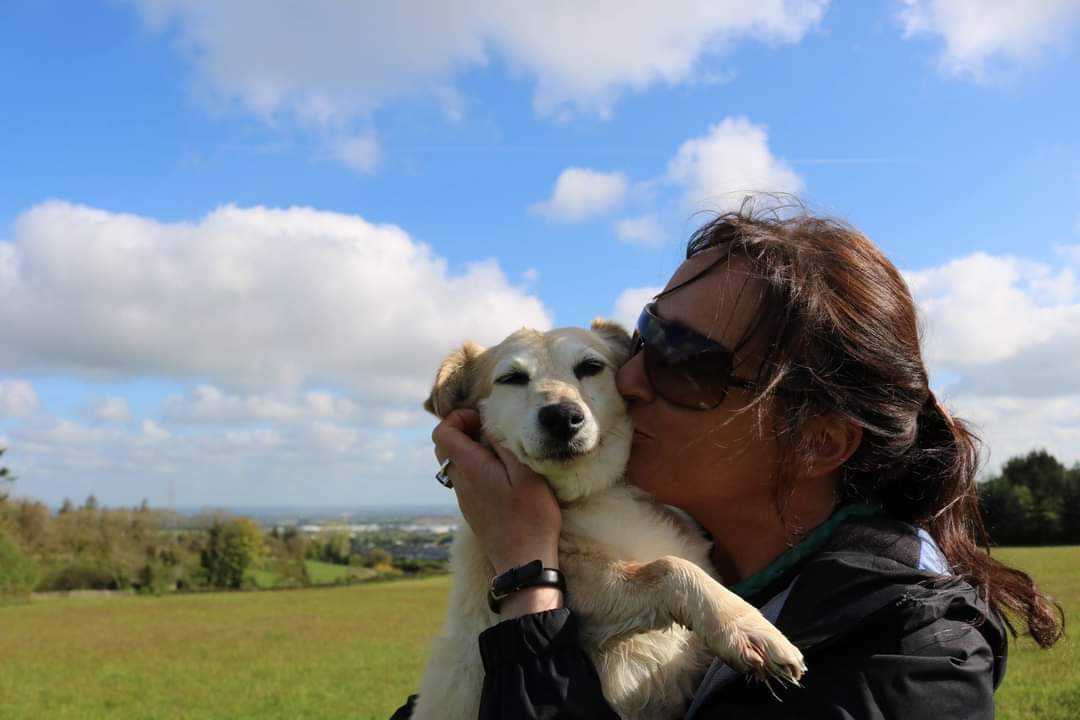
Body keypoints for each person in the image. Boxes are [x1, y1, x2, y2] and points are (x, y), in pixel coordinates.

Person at [393, 203, 1063, 719]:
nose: (628, 382)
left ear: (817, 442)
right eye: (648, 339)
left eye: (686, 363)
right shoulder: (666, 539)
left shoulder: (911, 663)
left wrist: (528, 586)